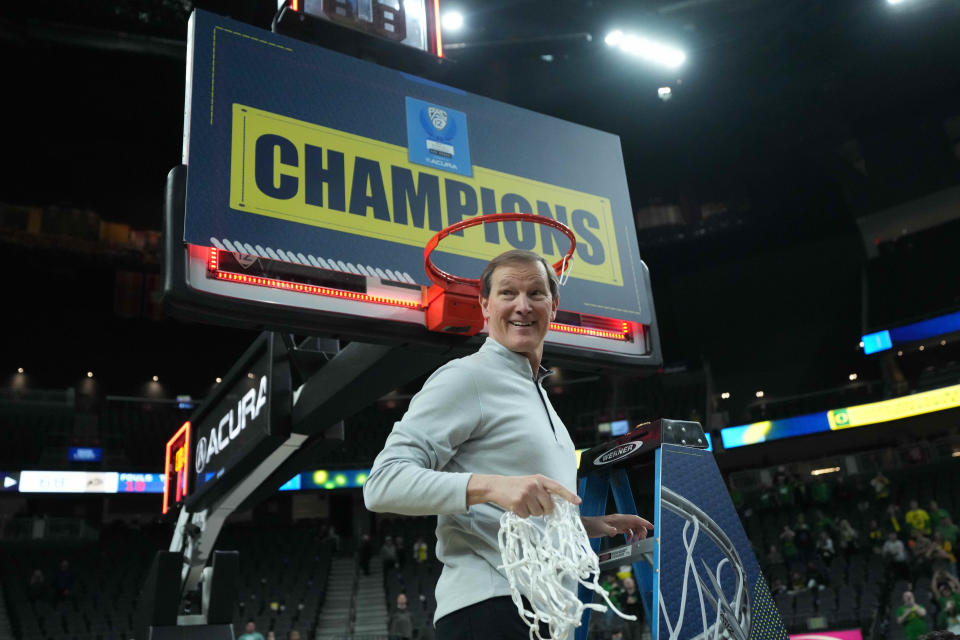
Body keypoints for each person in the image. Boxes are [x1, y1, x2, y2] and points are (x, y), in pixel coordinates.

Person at [364, 249, 652, 640]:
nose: (523, 306)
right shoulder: (466, 377)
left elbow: (514, 517)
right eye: (507, 293)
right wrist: (495, 486)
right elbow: (383, 484)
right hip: (490, 609)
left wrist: (586, 527)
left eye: (535, 293)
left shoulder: (539, 396)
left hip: (540, 612)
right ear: (484, 305)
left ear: (554, 305)